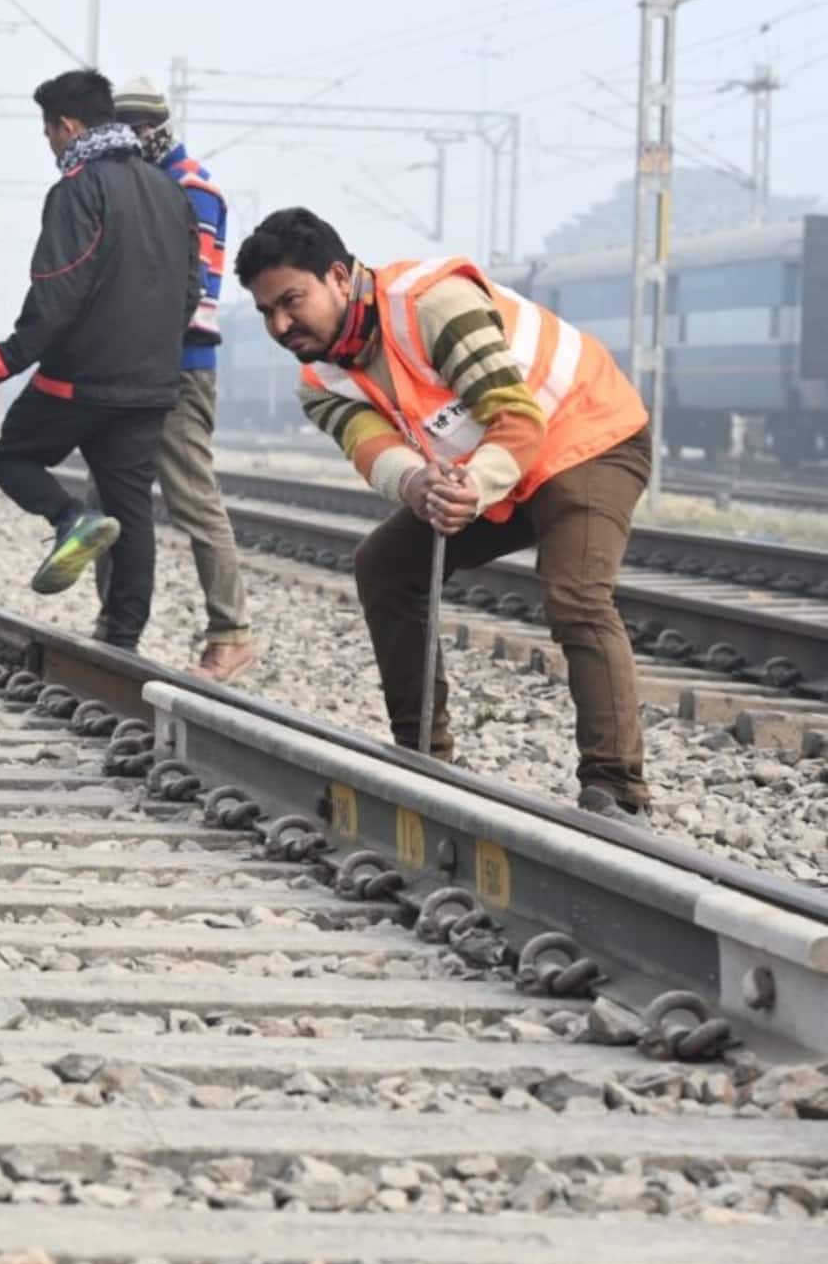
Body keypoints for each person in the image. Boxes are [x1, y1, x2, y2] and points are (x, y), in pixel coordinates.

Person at [234, 207, 653, 820]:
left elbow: (515, 415)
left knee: (576, 595)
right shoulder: (319, 380)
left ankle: (617, 790)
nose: (281, 323)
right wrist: (419, 487)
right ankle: (423, 761)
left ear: (339, 278)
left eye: (291, 301)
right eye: (266, 311)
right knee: (384, 565)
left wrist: (469, 488)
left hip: (586, 437)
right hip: (500, 469)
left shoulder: (433, 305)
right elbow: (379, 456)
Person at [0, 69, 200, 653]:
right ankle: (122, 641)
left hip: (80, 381)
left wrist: (6, 359)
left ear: (67, 127)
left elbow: (58, 288)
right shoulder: (169, 191)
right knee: (132, 509)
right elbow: (191, 291)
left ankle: (70, 520)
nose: (50, 145)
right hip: (150, 385)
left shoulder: (78, 188)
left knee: (14, 455)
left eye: (49, 134)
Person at [96, 75, 257, 680]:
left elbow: (200, 297)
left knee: (193, 499)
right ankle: (114, 624)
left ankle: (231, 632)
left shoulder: (192, 189)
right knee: (110, 497)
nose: (129, 140)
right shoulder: (145, 185)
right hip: (134, 367)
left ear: (155, 127)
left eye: (136, 128)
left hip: (179, 370)